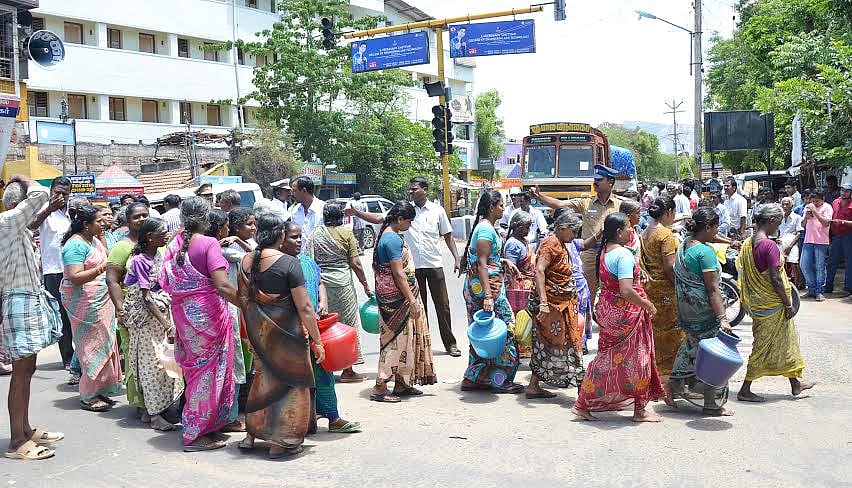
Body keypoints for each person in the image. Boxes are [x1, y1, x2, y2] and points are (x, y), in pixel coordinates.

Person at [234, 215, 321, 458]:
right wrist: (318, 340)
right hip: (288, 339)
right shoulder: (290, 263)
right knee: (291, 388)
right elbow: (305, 308)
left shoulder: (246, 261)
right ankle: (281, 441)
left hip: (259, 335)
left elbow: (244, 302)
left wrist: (250, 336)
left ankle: (251, 435)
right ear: (281, 236)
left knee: (261, 384)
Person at [157, 196, 239, 452]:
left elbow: (163, 281)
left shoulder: (174, 243)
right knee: (209, 374)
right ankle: (193, 434)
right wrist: (249, 304)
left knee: (196, 372)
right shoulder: (207, 243)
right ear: (206, 219)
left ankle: (205, 427)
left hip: (184, 316)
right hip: (209, 318)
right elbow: (223, 285)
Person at [347, 177, 463, 356]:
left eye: (414, 189)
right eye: (410, 189)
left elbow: (448, 236)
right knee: (418, 306)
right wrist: (356, 213)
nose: (411, 191)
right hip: (413, 268)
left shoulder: (437, 211)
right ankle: (423, 345)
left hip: (434, 264)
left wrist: (456, 258)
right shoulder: (403, 210)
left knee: (443, 306)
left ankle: (450, 344)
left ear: (425, 189)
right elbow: (379, 218)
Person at [571, 212, 664, 422]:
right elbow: (626, 290)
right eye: (629, 227)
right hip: (626, 315)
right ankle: (639, 410)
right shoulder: (623, 255)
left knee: (609, 358)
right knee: (639, 360)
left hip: (609, 311)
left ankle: (584, 402)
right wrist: (647, 305)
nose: (632, 230)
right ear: (619, 232)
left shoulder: (606, 250)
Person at [1, 176, 63, 461]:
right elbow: (38, 195)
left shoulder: (18, 227)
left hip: (26, 298)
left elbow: (36, 217)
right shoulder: (8, 222)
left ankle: (24, 429)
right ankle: (16, 441)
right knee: (21, 372)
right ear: (17, 205)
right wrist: (21, 178)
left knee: (27, 369)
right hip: (18, 300)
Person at [279, 220, 361, 434]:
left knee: (323, 373)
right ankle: (300, 422)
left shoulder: (306, 261)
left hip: (315, 328)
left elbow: (320, 282)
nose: (298, 241)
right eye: (293, 237)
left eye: (299, 236)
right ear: (281, 238)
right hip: (293, 331)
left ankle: (333, 417)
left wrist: (323, 301)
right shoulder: (281, 265)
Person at [737, 204, 815, 403]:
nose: (778, 227)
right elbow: (776, 278)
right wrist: (788, 304)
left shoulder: (749, 242)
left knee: (784, 343)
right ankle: (745, 389)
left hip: (760, 303)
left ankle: (795, 384)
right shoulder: (768, 246)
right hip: (772, 305)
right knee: (762, 347)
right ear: (771, 222)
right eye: (778, 223)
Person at [532, 164, 623, 326]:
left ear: (610, 182)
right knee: (586, 294)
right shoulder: (585, 202)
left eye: (599, 180)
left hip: (611, 254)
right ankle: (584, 331)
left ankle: (612, 325)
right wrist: (541, 197)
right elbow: (560, 205)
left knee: (615, 291)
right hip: (589, 254)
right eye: (594, 180)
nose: (595, 183)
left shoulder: (620, 204)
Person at [668, 208, 734, 416]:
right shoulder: (705, 253)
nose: (716, 233)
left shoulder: (685, 245)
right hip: (704, 311)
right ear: (707, 227)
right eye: (715, 228)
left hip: (687, 308)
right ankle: (712, 403)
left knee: (691, 343)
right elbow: (713, 288)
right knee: (715, 355)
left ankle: (673, 385)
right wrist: (722, 318)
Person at [370, 201, 437, 402]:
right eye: (409, 221)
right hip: (398, 299)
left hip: (394, 296)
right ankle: (380, 386)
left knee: (405, 340)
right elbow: (398, 273)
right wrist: (412, 300)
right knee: (396, 342)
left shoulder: (388, 235)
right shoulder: (392, 240)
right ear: (399, 220)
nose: (410, 225)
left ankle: (401, 383)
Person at [122, 218, 182, 431]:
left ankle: (151, 411)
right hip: (147, 320)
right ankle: (155, 416)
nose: (165, 236)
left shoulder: (158, 254)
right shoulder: (140, 260)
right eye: (162, 233)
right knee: (152, 366)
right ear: (149, 237)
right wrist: (167, 325)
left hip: (159, 315)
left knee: (164, 365)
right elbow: (147, 298)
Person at [60, 205, 122, 412]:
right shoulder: (75, 246)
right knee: (90, 346)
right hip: (84, 303)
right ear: (86, 224)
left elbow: (108, 256)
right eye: (99, 221)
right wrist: (102, 268)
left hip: (101, 299)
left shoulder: (93, 240)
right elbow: (75, 277)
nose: (103, 223)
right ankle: (88, 394)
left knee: (105, 342)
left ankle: (100, 389)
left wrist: (102, 237)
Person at [459, 191, 522, 394]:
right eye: (501, 205)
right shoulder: (485, 229)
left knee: (482, 333)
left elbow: (487, 257)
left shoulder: (486, 228)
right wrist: (488, 296)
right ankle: (500, 379)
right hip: (487, 291)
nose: (504, 209)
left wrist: (503, 262)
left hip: (482, 287)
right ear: (492, 207)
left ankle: (474, 377)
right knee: (505, 331)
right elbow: (482, 263)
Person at [304, 203, 372, 382]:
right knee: (348, 325)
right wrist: (365, 285)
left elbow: (308, 260)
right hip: (343, 285)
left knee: (324, 326)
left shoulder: (315, 234)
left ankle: (324, 366)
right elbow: (356, 264)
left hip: (322, 287)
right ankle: (348, 370)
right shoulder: (346, 234)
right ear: (341, 216)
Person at [525, 211, 586, 399]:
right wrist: (543, 302)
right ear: (562, 228)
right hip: (552, 305)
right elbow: (539, 271)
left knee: (549, 342)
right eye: (573, 231)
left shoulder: (561, 243)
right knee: (566, 343)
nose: (574, 236)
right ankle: (582, 391)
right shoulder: (551, 244)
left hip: (563, 304)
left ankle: (534, 385)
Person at [205, 209, 248, 433]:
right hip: (228, 308)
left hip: (208, 311)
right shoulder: (222, 249)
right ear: (222, 229)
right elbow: (255, 256)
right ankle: (230, 416)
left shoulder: (198, 248)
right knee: (233, 364)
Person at [106, 202, 149, 418]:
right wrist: (120, 309)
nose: (141, 220)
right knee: (134, 356)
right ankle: (140, 403)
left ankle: (157, 401)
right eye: (136, 217)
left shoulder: (155, 242)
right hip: (131, 310)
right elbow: (112, 280)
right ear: (128, 221)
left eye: (144, 215)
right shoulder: (122, 247)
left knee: (154, 358)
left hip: (155, 312)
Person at [640, 196, 684, 388]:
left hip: (651, 289)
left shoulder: (646, 232)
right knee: (672, 334)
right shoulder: (666, 235)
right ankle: (667, 379)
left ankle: (654, 375)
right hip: (666, 290)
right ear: (669, 213)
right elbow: (669, 266)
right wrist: (681, 286)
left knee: (655, 333)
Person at [28, 176, 73, 369]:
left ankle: (80, 357)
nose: (61, 197)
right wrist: (49, 209)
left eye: (64, 194)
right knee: (61, 316)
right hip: (53, 271)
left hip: (74, 269)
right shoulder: (46, 212)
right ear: (51, 192)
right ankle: (67, 358)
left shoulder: (72, 213)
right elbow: (32, 225)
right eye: (57, 193)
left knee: (75, 314)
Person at [502, 210, 535, 358]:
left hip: (528, 286)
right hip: (518, 289)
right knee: (520, 320)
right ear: (516, 227)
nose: (528, 230)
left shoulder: (523, 241)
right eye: (526, 227)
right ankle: (517, 351)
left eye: (529, 227)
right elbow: (511, 269)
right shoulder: (513, 244)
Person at [800, 189, 833, 301]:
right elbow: (802, 224)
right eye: (813, 201)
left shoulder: (827, 207)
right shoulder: (808, 207)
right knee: (804, 265)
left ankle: (819, 291)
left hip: (821, 241)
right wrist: (806, 218)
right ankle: (811, 288)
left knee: (820, 267)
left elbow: (826, 222)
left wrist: (815, 211)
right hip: (808, 240)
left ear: (823, 199)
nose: (814, 203)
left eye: (817, 201)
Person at [826, 183, 852, 296]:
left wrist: (843, 222)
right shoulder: (835, 202)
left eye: (846, 191)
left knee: (849, 263)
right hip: (836, 236)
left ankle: (848, 287)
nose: (843, 192)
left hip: (848, 236)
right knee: (832, 262)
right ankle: (828, 286)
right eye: (842, 190)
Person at [291, 176, 325, 251]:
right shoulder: (295, 210)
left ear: (304, 191)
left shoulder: (323, 209)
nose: (292, 194)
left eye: (295, 191)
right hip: (300, 257)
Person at [778, 197, 803, 286]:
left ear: (791, 205)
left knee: (794, 264)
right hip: (781, 242)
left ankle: (796, 286)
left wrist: (790, 246)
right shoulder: (779, 218)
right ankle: (784, 285)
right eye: (783, 204)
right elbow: (777, 230)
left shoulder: (797, 218)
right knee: (781, 265)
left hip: (792, 243)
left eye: (787, 204)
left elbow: (799, 233)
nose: (785, 206)